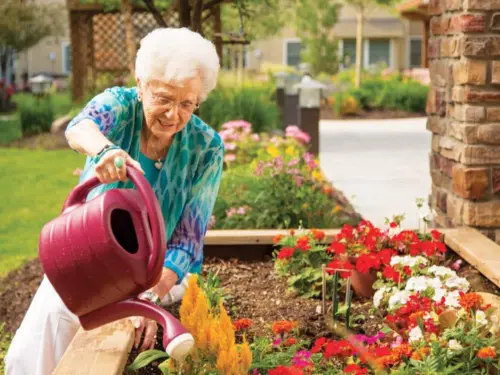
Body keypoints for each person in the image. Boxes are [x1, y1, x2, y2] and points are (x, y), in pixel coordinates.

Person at [5, 27, 224, 375]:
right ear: (141, 85)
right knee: (29, 356)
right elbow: (80, 127)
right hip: (89, 255)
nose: (173, 115)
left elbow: (186, 243)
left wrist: (146, 296)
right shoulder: (121, 105)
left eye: (187, 104)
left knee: (109, 342)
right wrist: (104, 150)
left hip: (156, 271)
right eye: (164, 99)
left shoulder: (207, 147)